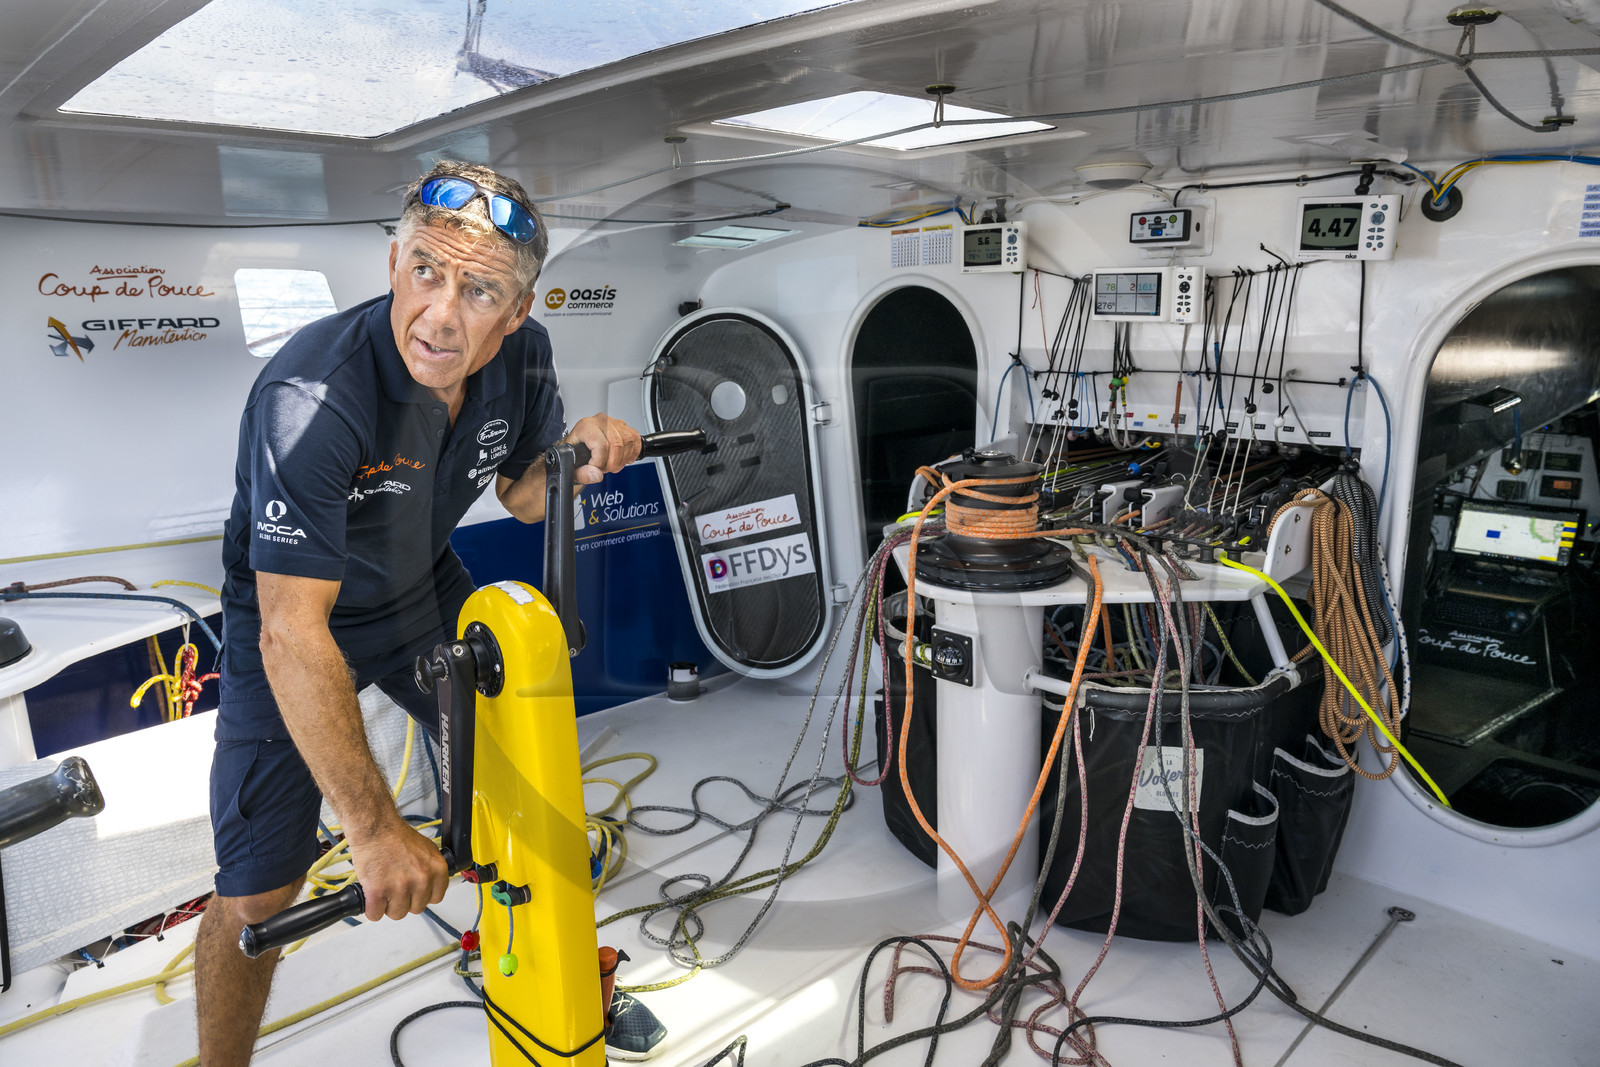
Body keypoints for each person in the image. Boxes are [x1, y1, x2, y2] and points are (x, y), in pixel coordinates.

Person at [194, 161, 657, 1065]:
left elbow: (524, 495)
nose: (441, 315)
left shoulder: (525, 356)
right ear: (394, 265)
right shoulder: (311, 397)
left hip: (419, 587)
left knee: (527, 790)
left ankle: (548, 975)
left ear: (516, 311)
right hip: (294, 618)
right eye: (425, 272)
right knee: (259, 893)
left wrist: (578, 451)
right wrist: (372, 830)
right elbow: (292, 630)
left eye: (478, 291)